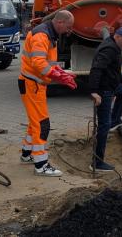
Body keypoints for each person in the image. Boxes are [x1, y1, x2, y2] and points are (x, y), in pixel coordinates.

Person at [19, 10, 77, 176]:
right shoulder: (42, 36)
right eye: (68, 27)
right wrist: (59, 76)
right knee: (42, 124)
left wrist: (61, 72)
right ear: (60, 22)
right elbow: (39, 63)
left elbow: (48, 63)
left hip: (33, 84)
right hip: (32, 85)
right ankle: (41, 165)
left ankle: (26, 154)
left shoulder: (50, 34)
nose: (69, 31)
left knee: (34, 122)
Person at [88, 27, 122, 172]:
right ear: (118, 37)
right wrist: (94, 92)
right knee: (104, 125)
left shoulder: (115, 47)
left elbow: (113, 70)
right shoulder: (109, 49)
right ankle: (97, 162)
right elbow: (96, 69)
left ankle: (115, 119)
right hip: (104, 91)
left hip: (112, 86)